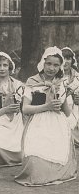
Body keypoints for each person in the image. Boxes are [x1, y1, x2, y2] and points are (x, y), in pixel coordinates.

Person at [15, 46, 77, 186]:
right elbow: (25, 109)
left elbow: (66, 112)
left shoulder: (61, 82)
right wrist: (46, 106)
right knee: (35, 167)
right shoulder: (32, 81)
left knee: (58, 156)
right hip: (37, 123)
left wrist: (65, 96)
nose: (51, 68)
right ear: (43, 63)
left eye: (56, 65)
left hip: (57, 124)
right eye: (49, 63)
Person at [62, 47, 79, 147]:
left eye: (68, 58)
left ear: (72, 60)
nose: (65, 62)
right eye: (63, 58)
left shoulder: (77, 77)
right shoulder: (55, 75)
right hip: (62, 108)